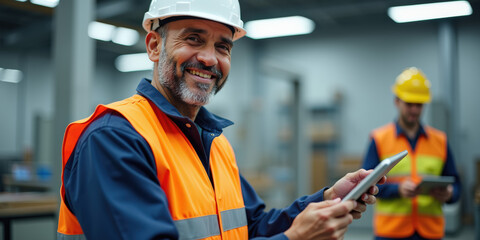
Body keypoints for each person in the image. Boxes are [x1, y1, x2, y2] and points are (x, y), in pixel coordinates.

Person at [57, 0, 384, 239]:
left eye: (223, 46)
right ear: (154, 46)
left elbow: (251, 227)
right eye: (193, 39)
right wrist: (296, 238)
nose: (210, 58)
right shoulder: (114, 139)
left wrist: (325, 200)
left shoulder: (214, 143)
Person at [362, 67, 462, 240]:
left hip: (430, 232)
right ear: (397, 101)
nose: (414, 110)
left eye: (419, 104)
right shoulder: (379, 139)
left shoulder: (440, 140)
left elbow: (456, 184)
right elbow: (365, 184)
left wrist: (450, 193)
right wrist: (396, 189)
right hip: (390, 233)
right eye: (409, 104)